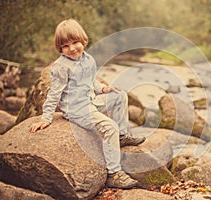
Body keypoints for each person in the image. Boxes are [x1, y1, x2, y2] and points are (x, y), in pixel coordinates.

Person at [29, 18, 145, 189]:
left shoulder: (88, 59)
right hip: (77, 109)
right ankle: (114, 173)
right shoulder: (61, 67)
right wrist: (46, 117)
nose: (72, 48)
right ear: (60, 49)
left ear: (83, 40)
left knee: (120, 95)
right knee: (109, 126)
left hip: (90, 100)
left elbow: (91, 82)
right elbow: (54, 93)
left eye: (75, 42)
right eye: (65, 46)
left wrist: (103, 89)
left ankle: (121, 136)